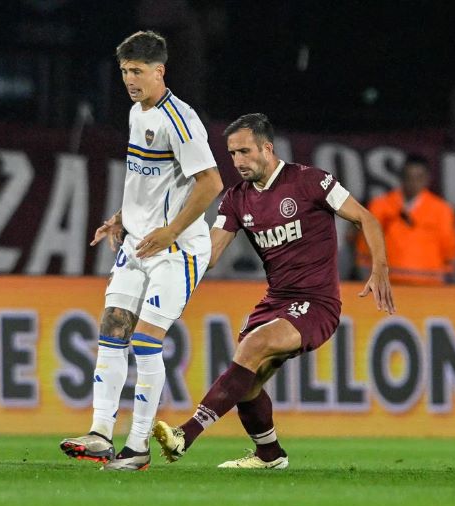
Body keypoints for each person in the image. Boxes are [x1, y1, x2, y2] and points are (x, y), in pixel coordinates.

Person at [153, 113, 395, 469]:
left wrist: (379, 268)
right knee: (247, 381)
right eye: (232, 154)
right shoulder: (236, 199)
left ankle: (184, 435)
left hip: (317, 303)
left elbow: (366, 218)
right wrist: (168, 271)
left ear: (267, 147)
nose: (238, 161)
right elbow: (211, 252)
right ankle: (270, 454)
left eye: (245, 152)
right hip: (276, 302)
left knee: (252, 347)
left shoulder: (312, 181)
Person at [59, 30, 224, 471]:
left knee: (147, 341)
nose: (130, 80)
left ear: (159, 71)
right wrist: (121, 217)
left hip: (178, 250)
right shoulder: (137, 113)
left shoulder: (181, 119)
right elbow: (147, 184)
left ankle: (137, 448)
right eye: (125, 71)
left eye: (137, 71)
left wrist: (170, 231)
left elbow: (212, 184)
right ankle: (99, 434)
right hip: (137, 243)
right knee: (113, 327)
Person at [356, 154, 455, 285]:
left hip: (430, 284)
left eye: (418, 178)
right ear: (401, 178)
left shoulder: (442, 209)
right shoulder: (380, 205)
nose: (413, 183)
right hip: (388, 283)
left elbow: (449, 250)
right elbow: (365, 245)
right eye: (408, 177)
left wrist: (448, 278)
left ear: (427, 179)